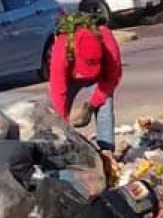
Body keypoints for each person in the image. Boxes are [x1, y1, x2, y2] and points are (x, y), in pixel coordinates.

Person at [49, 12, 122, 153]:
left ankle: (107, 152)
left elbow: (112, 78)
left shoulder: (107, 41)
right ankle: (61, 151)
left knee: (105, 109)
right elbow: (59, 92)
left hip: (101, 77)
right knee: (56, 116)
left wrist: (92, 106)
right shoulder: (62, 47)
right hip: (71, 76)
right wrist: (63, 128)